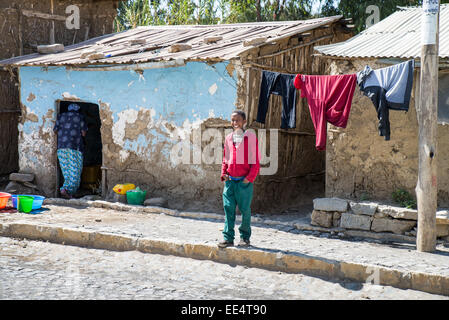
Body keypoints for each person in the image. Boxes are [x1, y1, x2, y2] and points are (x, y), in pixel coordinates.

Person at [219, 110, 260, 248]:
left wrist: (249, 178)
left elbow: (255, 161)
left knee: (244, 210)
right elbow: (225, 158)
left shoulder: (250, 138)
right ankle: (228, 237)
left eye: (238, 120)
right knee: (228, 208)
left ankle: (245, 238)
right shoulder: (229, 138)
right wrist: (223, 173)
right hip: (230, 181)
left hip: (244, 182)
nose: (235, 123)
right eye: (232, 120)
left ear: (244, 122)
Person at [53, 103, 88, 199]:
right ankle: (67, 190)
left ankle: (66, 190)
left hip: (61, 147)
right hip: (75, 147)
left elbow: (55, 130)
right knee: (75, 170)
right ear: (78, 109)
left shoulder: (61, 116)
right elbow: (83, 133)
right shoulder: (80, 117)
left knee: (66, 170)